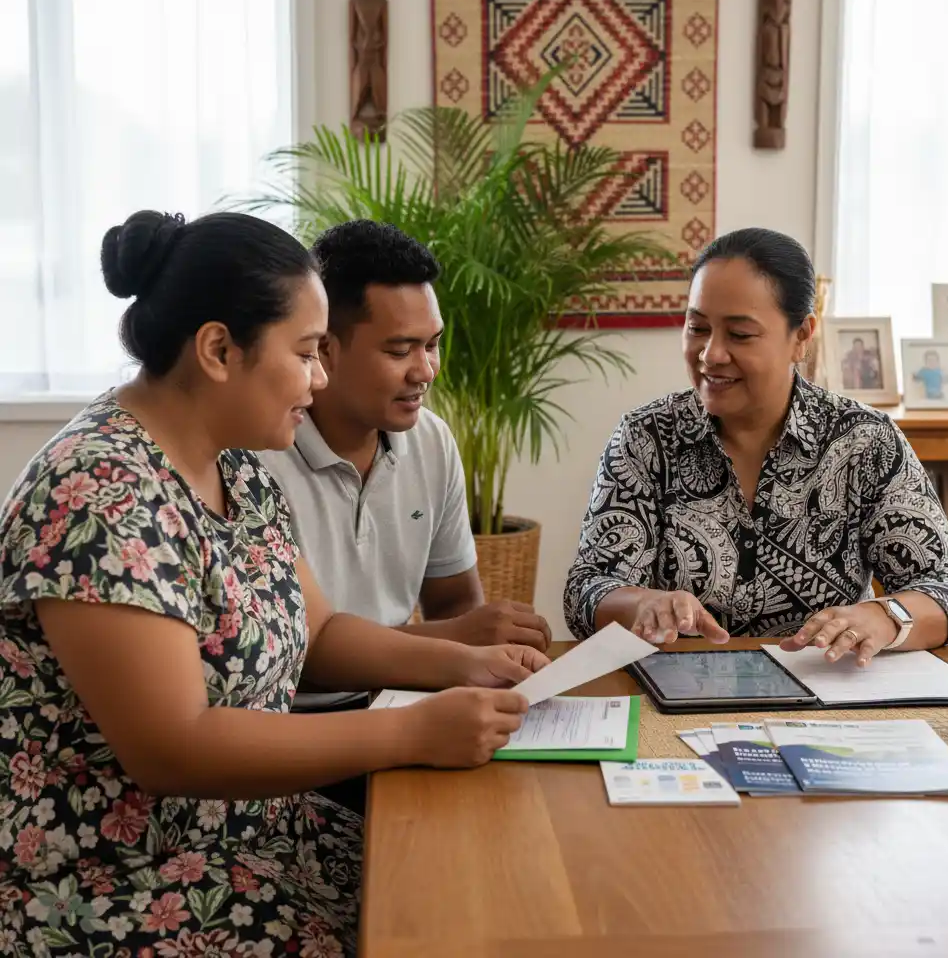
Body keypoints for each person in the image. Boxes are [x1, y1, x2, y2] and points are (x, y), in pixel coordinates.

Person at [0, 210, 547, 955]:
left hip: (254, 827)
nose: (320, 379)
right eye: (308, 353)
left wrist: (465, 664)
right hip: (118, 877)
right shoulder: (100, 492)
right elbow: (175, 747)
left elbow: (319, 631)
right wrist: (412, 730)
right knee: (432, 928)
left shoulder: (235, 466)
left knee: (477, 886)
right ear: (219, 350)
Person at [564, 227, 948, 667]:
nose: (711, 354)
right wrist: (642, 604)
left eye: (740, 334)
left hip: (826, 688)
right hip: (676, 687)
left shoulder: (865, 440)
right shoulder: (646, 436)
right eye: (697, 328)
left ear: (802, 336)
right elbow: (586, 590)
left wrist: (883, 616)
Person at [260, 220, 551, 721]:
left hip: (405, 702)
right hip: (293, 722)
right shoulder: (257, 456)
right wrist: (452, 641)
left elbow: (455, 601)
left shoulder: (431, 441)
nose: (425, 371)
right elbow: (283, 655)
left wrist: (484, 646)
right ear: (324, 348)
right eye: (399, 351)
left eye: (431, 344)